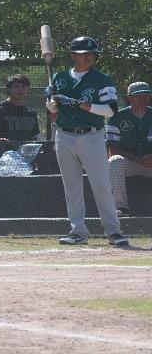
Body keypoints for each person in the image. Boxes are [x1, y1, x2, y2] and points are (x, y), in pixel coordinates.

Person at [45, 36, 128, 246]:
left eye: (91, 53)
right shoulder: (59, 77)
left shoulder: (102, 79)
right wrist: (50, 101)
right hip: (64, 135)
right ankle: (78, 232)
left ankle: (113, 231)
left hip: (92, 136)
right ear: (73, 56)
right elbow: (53, 110)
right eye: (82, 53)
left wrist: (78, 103)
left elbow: (110, 110)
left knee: (101, 185)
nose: (88, 56)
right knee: (71, 186)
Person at [106, 81, 152, 217]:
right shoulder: (117, 117)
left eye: (146, 96)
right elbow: (113, 149)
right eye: (138, 96)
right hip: (130, 163)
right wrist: (139, 159)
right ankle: (121, 208)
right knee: (114, 161)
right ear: (129, 98)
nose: (143, 99)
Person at [0, 74, 40, 142]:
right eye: (16, 87)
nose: (21, 90)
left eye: (24, 86)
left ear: (28, 89)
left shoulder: (31, 112)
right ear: (9, 89)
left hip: (25, 151)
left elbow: (36, 136)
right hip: (4, 151)